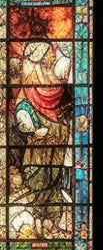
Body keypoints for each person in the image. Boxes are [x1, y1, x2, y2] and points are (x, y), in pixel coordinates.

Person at [12, 40, 73, 236]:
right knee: (39, 185)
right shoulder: (27, 94)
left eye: (49, 61)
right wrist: (31, 129)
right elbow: (22, 115)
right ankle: (39, 224)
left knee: (57, 186)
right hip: (38, 153)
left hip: (60, 152)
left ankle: (54, 224)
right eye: (45, 62)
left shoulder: (60, 88)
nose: (49, 66)